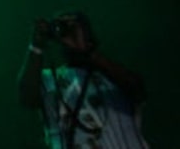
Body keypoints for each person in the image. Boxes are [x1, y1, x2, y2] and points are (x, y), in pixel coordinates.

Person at [17, 10, 149, 148]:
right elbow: (26, 97)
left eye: (74, 28)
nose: (70, 34)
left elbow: (137, 89)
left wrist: (88, 51)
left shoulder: (112, 75)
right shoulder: (51, 79)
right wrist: (36, 46)